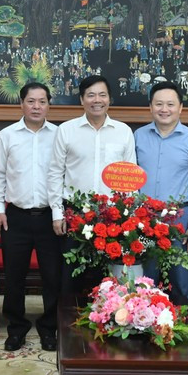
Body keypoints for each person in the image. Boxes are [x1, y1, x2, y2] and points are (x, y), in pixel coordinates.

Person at [47, 75, 136, 294]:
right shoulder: (66, 130)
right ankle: (67, 326)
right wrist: (57, 213)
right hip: (75, 213)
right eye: (91, 95)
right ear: (81, 100)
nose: (97, 100)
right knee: (70, 276)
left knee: (107, 279)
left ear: (110, 99)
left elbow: (130, 177)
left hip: (112, 215)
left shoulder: (123, 131)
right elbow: (55, 173)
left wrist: (128, 216)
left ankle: (104, 324)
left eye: (102, 95)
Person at [0, 82, 61, 352]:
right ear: (21, 104)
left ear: (48, 105)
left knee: (52, 277)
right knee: (14, 276)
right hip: (16, 217)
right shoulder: (7, 135)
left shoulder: (59, 134)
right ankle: (17, 328)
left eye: (42, 101)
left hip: (50, 217)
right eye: (31, 101)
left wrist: (60, 213)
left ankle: (49, 328)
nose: (36, 106)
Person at [134, 81, 188, 305]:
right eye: (159, 104)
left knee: (181, 279)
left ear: (181, 107)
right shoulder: (137, 136)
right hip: (144, 218)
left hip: (180, 218)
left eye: (170, 104)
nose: (164, 109)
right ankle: (143, 326)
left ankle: (185, 333)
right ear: (150, 107)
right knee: (145, 279)